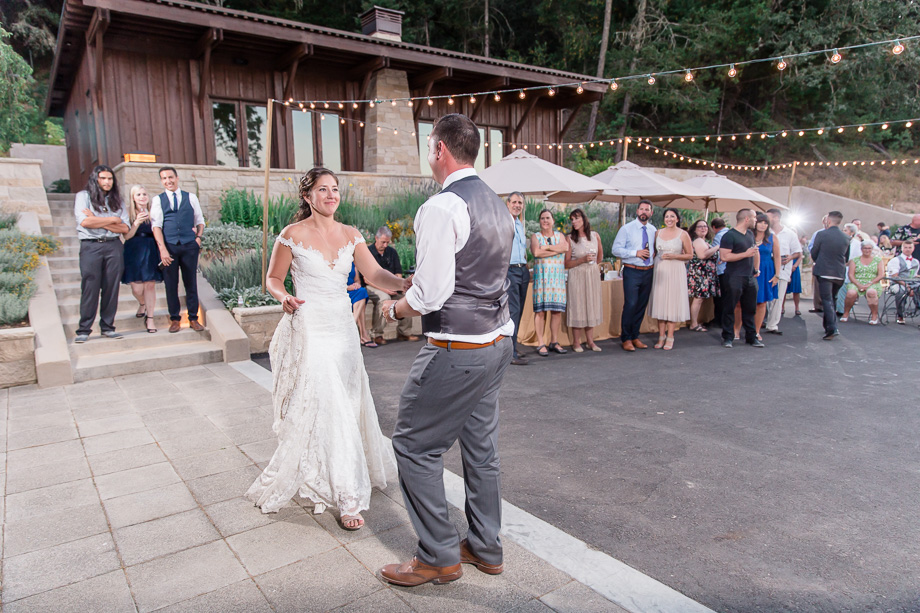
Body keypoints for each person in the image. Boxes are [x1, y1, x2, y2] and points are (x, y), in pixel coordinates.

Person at [377, 114, 514, 587]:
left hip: (459, 347)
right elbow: (480, 272)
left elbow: (430, 296)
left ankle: (438, 555)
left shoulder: (442, 206)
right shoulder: (498, 203)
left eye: (428, 146)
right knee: (481, 448)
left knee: (413, 445)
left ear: (439, 149)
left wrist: (394, 310)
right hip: (498, 341)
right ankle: (486, 546)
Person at [245, 167, 406, 531]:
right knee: (331, 402)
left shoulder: (351, 234)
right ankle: (348, 496)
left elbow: (375, 275)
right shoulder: (292, 235)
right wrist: (283, 297)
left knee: (347, 401)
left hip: (342, 327)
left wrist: (403, 284)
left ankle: (337, 467)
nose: (331, 195)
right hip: (311, 325)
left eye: (335, 189)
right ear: (308, 196)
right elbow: (272, 278)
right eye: (323, 189)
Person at [73, 165, 130, 343]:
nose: (107, 182)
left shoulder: (117, 200)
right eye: (103, 178)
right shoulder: (83, 196)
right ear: (96, 179)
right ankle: (84, 329)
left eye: (110, 178)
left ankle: (107, 327)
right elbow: (85, 222)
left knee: (111, 287)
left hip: (114, 246)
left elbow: (125, 228)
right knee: (90, 287)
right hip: (91, 247)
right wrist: (112, 220)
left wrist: (97, 220)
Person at [150, 167, 205, 333]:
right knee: (171, 284)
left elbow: (200, 220)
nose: (168, 181)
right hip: (169, 247)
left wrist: (198, 238)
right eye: (164, 178)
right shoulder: (158, 200)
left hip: (189, 246)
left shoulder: (191, 197)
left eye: (170, 177)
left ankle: (193, 318)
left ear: (177, 178)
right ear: (161, 181)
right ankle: (174, 319)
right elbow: (156, 226)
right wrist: (162, 249)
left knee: (191, 283)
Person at [611, 199, 656, 352]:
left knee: (641, 305)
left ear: (651, 213)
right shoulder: (627, 229)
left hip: (648, 271)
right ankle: (626, 338)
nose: (644, 212)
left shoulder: (653, 230)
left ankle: (635, 336)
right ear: (637, 211)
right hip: (632, 270)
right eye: (641, 209)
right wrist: (635, 253)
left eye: (647, 209)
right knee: (631, 304)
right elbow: (615, 249)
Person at [365, 227, 419, 345]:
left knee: (406, 297)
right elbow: (366, 278)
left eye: (387, 242)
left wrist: (398, 287)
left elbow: (398, 273)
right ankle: (377, 334)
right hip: (372, 285)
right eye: (383, 242)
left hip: (391, 285)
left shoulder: (392, 252)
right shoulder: (368, 252)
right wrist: (385, 289)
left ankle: (404, 332)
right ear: (376, 238)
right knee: (384, 298)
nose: (385, 245)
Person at [648, 208, 692, 350]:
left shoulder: (683, 234)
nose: (669, 219)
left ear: (677, 219)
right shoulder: (658, 233)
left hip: (675, 269)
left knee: (672, 303)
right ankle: (661, 336)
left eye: (672, 216)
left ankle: (670, 336)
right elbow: (653, 251)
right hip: (660, 269)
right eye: (667, 216)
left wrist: (674, 256)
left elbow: (690, 255)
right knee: (660, 302)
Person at [122, 185, 163, 334]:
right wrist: (136, 223)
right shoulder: (128, 213)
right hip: (133, 250)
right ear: (133, 197)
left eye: (144, 194)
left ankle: (150, 318)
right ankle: (142, 303)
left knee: (150, 285)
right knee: (137, 288)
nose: (142, 197)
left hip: (151, 249)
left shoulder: (154, 211)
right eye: (138, 194)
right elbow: (127, 236)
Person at [719, 209, 761, 348]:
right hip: (734, 276)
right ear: (747, 219)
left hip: (749, 277)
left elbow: (754, 252)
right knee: (729, 308)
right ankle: (728, 337)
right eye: (754, 217)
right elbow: (724, 256)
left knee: (750, 309)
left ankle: (751, 337)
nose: (756, 220)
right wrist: (745, 254)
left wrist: (756, 269)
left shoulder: (750, 234)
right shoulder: (729, 236)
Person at [564, 208, 603, 352]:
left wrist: (592, 263)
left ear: (584, 219)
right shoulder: (570, 239)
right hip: (577, 276)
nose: (574, 221)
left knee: (590, 305)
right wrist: (582, 260)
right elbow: (566, 263)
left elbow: (600, 257)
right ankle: (576, 342)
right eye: (572, 219)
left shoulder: (595, 236)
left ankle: (590, 341)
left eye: (576, 218)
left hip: (592, 275)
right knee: (578, 306)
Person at [530, 209, 568, 356]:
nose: (545, 221)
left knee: (556, 312)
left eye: (548, 218)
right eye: (542, 218)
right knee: (540, 312)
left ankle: (554, 341)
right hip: (542, 279)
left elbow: (565, 247)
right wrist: (557, 250)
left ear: (553, 221)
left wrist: (546, 247)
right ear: (540, 221)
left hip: (557, 280)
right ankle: (541, 343)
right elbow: (536, 253)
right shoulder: (536, 237)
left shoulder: (560, 236)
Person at [810, 210, 851, 340]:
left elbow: (814, 252)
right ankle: (828, 326)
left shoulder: (821, 234)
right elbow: (846, 257)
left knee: (826, 300)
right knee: (832, 299)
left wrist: (819, 262)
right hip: (839, 272)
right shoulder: (846, 237)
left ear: (828, 220)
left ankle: (832, 328)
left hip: (824, 271)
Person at [763, 208, 801, 334]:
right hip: (767, 267)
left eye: (768, 217)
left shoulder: (790, 233)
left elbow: (797, 252)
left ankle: (772, 324)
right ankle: (765, 320)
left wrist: (790, 257)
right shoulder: (765, 232)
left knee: (778, 297)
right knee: (766, 296)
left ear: (776, 218)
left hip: (784, 268)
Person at [744, 213, 781, 341]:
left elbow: (777, 257)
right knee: (743, 302)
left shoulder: (772, 237)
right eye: (760, 222)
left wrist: (777, 275)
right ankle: (739, 329)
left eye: (766, 223)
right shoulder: (748, 235)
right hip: (748, 269)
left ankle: (756, 331)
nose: (762, 225)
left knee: (762, 302)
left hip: (766, 271)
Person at [506, 192, 530, 365]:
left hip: (523, 270)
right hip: (510, 270)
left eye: (520, 203)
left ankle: (513, 346)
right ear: (507, 204)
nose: (517, 205)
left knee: (519, 310)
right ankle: (510, 353)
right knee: (513, 311)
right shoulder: (504, 222)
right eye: (514, 202)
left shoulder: (520, 224)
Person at [687, 219, 719, 331]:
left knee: (700, 299)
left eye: (705, 226)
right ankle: (694, 323)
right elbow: (702, 255)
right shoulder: (698, 241)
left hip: (705, 274)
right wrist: (717, 247)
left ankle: (696, 321)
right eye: (700, 226)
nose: (703, 228)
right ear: (694, 230)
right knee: (698, 298)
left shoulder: (705, 242)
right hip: (700, 274)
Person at [841, 241, 884, 324]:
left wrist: (870, 283)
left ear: (872, 249)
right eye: (865, 248)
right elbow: (850, 275)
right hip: (857, 282)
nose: (867, 250)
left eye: (869, 248)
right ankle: (846, 313)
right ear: (861, 249)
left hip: (872, 282)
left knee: (871, 292)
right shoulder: (855, 260)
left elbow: (881, 275)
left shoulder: (878, 260)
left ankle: (874, 315)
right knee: (851, 293)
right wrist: (858, 284)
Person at [886, 239, 920, 324]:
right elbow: (894, 277)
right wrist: (907, 286)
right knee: (901, 291)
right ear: (902, 248)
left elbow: (914, 275)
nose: (908, 249)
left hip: (912, 283)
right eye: (905, 247)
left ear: (913, 249)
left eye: (910, 247)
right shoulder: (895, 260)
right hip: (897, 283)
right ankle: (900, 314)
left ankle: (918, 308)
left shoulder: (916, 261)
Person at [347, 263, 375, 347]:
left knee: (361, 291)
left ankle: (352, 325)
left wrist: (357, 284)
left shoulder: (352, 262)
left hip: (354, 291)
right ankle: (363, 335)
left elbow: (357, 280)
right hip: (342, 291)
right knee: (361, 295)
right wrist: (347, 287)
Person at [808, 216, 829, 314]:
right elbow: (811, 246)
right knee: (817, 284)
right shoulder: (817, 233)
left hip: (831, 263)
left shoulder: (836, 234)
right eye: (825, 221)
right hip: (819, 261)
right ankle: (817, 305)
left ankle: (829, 305)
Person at [710, 217, 728, 326]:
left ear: (713, 227)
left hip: (721, 269)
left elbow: (715, 253)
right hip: (729, 269)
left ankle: (719, 319)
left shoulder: (719, 236)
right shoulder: (730, 233)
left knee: (720, 297)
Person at [784, 230, 804, 317]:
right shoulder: (785, 242)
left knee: (796, 289)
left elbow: (800, 256)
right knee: (784, 288)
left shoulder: (797, 244)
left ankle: (797, 308)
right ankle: (782, 307)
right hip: (785, 266)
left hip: (794, 267)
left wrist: (795, 266)